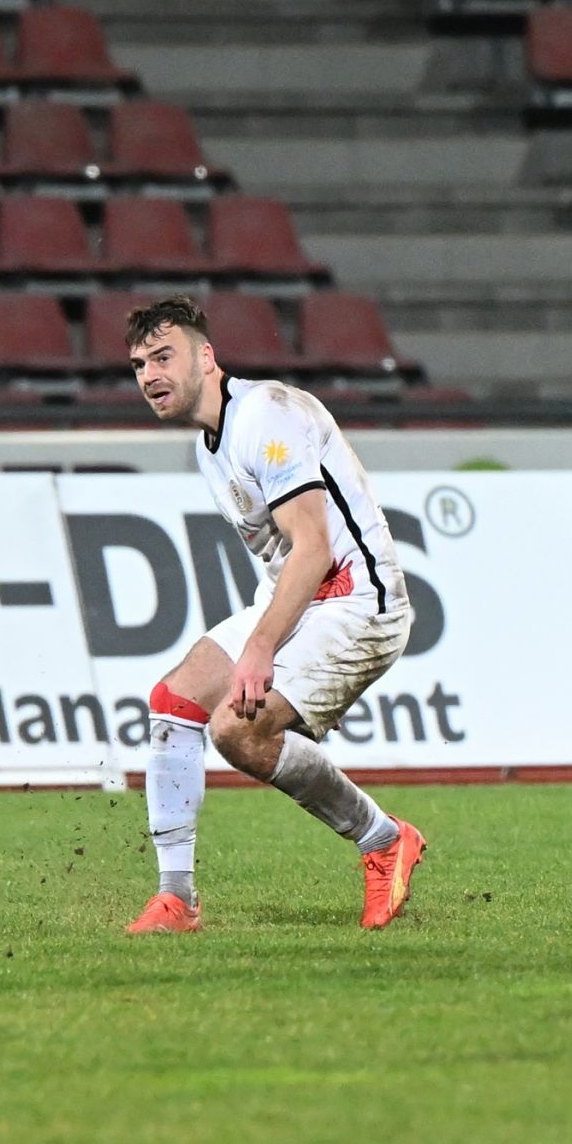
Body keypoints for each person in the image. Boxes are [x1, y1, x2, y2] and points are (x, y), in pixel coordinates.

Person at [123, 296, 425, 933]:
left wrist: (259, 649)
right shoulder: (209, 443)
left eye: (163, 357)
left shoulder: (266, 413)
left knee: (237, 731)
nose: (150, 375)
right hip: (302, 598)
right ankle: (176, 898)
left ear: (207, 357)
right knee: (173, 703)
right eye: (139, 364)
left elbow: (313, 548)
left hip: (357, 601)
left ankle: (383, 839)